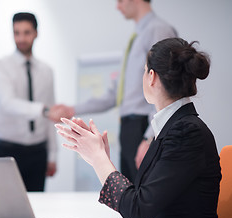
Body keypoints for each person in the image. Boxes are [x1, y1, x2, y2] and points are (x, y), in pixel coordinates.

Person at [56, 38, 222, 218]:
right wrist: (100, 159)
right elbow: (141, 201)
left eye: (144, 71)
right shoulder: (174, 127)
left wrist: (100, 160)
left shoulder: (186, 133)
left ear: (151, 77)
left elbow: (138, 211)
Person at [50, 0, 177, 183]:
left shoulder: (158, 30)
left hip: (143, 128)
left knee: (143, 198)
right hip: (130, 129)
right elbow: (115, 94)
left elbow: (167, 88)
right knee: (130, 197)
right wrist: (72, 110)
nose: (117, 6)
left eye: (120, 0)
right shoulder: (137, 37)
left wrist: (151, 136)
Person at [0, 12, 57, 192]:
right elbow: (7, 103)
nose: (21, 38)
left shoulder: (46, 71)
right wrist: (44, 110)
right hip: (5, 150)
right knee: (0, 209)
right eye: (16, 32)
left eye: (26, 32)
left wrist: (53, 154)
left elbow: (51, 114)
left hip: (38, 153)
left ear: (36, 33)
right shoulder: (0, 67)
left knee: (36, 211)